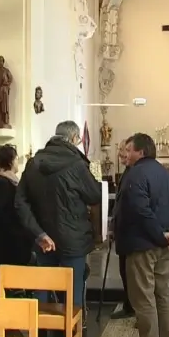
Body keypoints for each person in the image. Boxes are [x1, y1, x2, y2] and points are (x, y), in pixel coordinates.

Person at [15, 120, 102, 311]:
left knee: (43, 286)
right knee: (73, 290)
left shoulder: (33, 163)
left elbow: (20, 202)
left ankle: (39, 332)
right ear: (73, 138)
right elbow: (94, 195)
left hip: (43, 238)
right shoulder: (77, 165)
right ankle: (72, 335)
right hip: (73, 238)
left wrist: (39, 234)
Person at [115, 133, 169, 337]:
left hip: (142, 245)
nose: (126, 155)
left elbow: (140, 211)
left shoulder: (135, 175)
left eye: (129, 150)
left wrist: (160, 234)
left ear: (141, 152)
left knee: (144, 300)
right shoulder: (167, 174)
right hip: (164, 245)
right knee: (163, 294)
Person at [110, 137, 135, 320]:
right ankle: (129, 305)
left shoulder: (136, 173)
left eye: (124, 151)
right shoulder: (127, 172)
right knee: (125, 272)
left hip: (133, 232)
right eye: (119, 152)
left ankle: (139, 310)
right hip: (123, 231)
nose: (120, 155)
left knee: (134, 275)